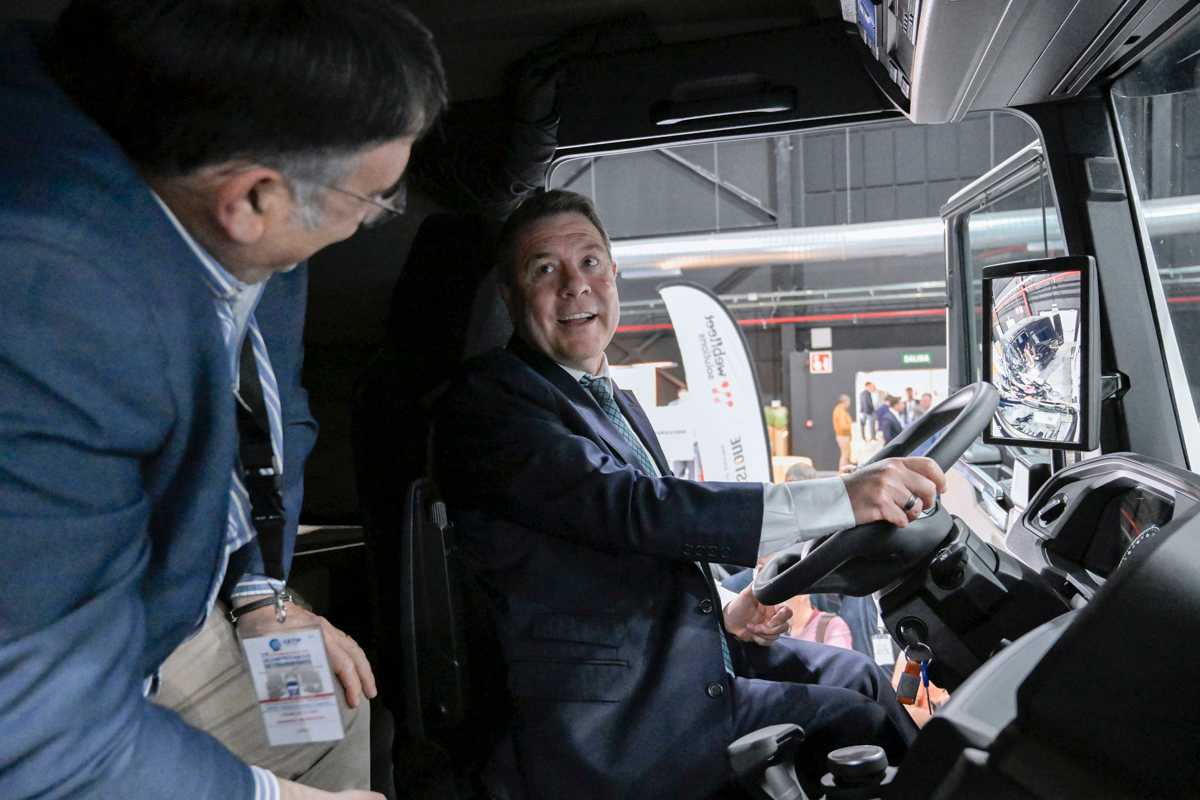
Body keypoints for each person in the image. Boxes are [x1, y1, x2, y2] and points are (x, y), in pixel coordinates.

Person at [0, 3, 446, 799]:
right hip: (66, 644)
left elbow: (260, 417)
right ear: (253, 201)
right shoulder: (60, 305)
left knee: (330, 707)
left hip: (164, 587)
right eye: (373, 201)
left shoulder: (204, 179)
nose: (366, 221)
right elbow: (40, 731)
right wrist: (268, 798)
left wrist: (257, 590)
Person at [434, 190, 947, 797]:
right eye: (545, 269)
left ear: (614, 275)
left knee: (859, 675)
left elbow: (634, 545)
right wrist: (842, 497)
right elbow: (632, 510)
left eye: (591, 262)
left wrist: (728, 608)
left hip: (670, 659)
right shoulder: (493, 403)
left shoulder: (604, 397)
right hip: (616, 714)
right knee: (857, 722)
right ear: (510, 296)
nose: (576, 285)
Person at [832, 393, 854, 469]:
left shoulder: (841, 410)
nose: (849, 404)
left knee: (846, 455)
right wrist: (851, 426)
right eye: (849, 402)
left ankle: (845, 472)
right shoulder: (840, 411)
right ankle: (843, 472)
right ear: (845, 401)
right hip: (843, 436)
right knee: (845, 455)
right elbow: (843, 426)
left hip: (843, 435)